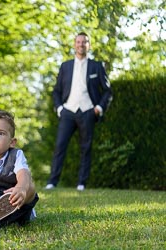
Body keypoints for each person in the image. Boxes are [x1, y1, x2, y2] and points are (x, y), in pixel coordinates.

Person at [45, 32, 113, 191]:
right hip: (68, 111)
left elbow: (107, 91)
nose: (81, 44)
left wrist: (99, 108)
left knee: (86, 148)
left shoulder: (97, 66)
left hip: (88, 111)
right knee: (60, 146)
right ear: (74, 44)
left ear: (88, 45)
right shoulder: (65, 66)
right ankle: (52, 182)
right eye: (78, 42)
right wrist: (60, 108)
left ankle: (82, 183)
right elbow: (56, 91)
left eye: (84, 42)